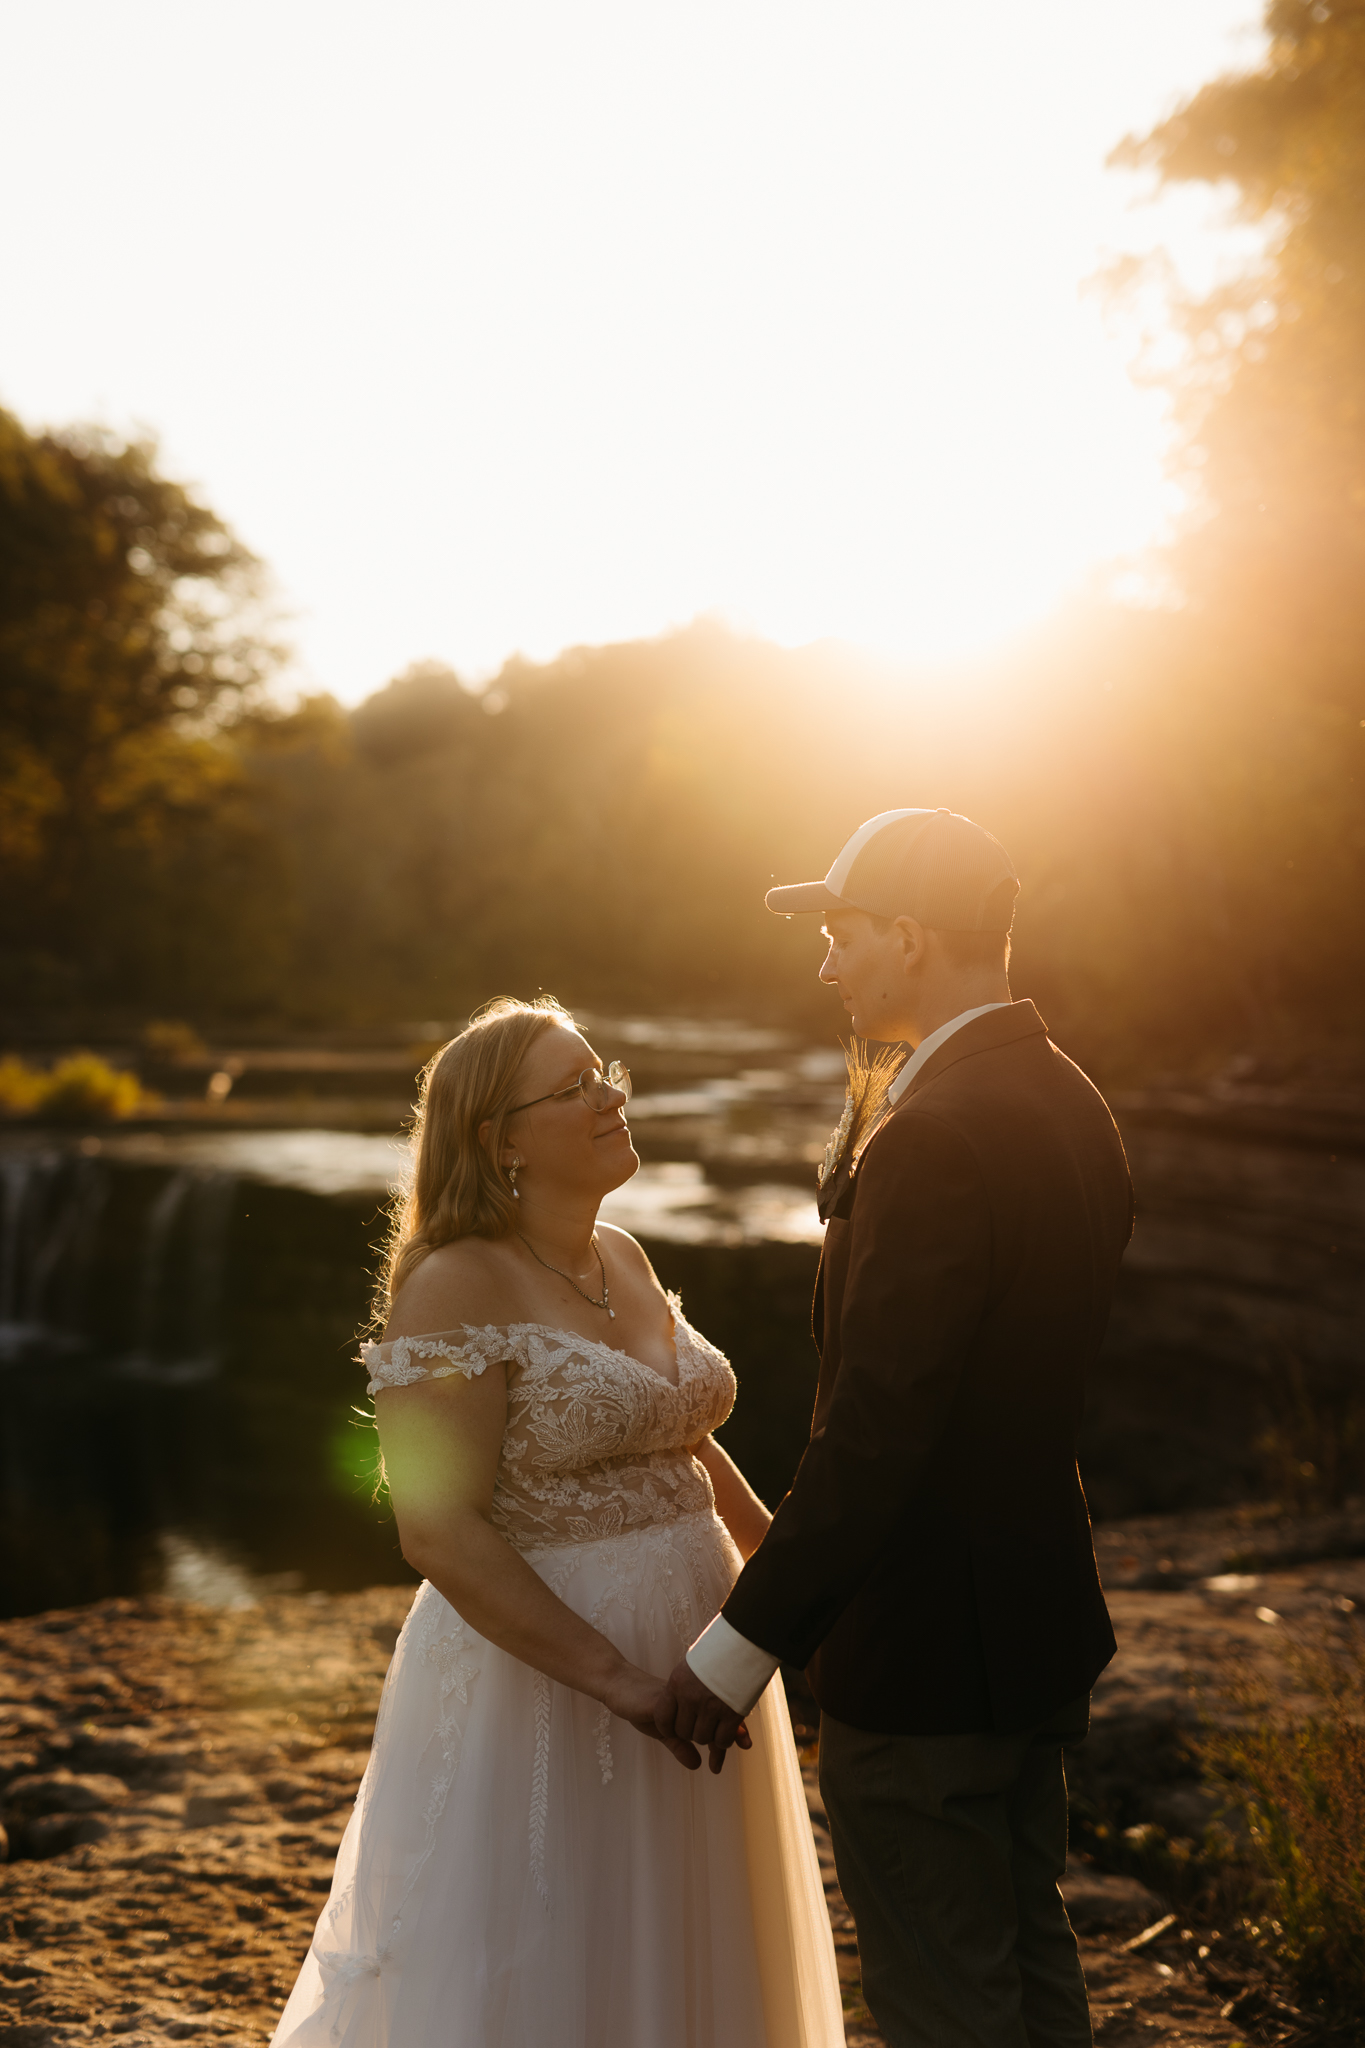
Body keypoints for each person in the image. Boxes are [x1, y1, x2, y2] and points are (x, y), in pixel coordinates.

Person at [270, 995, 844, 2048]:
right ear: (500, 1140)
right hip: (554, 1688)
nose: (611, 1094)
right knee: (552, 1962)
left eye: (604, 1070)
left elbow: (680, 1437)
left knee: (697, 1956)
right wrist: (620, 1678)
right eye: (574, 1086)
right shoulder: (453, 1284)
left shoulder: (619, 1250)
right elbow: (436, 1529)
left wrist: (785, 1575)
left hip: (703, 1671)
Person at [657, 807, 1136, 2048]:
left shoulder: (934, 1134)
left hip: (927, 1655)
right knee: (1030, 1962)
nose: (827, 964)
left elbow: (878, 1429)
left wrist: (739, 1645)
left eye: (842, 932)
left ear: (911, 938)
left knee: (944, 2000)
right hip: (1028, 1627)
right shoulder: (1073, 1099)